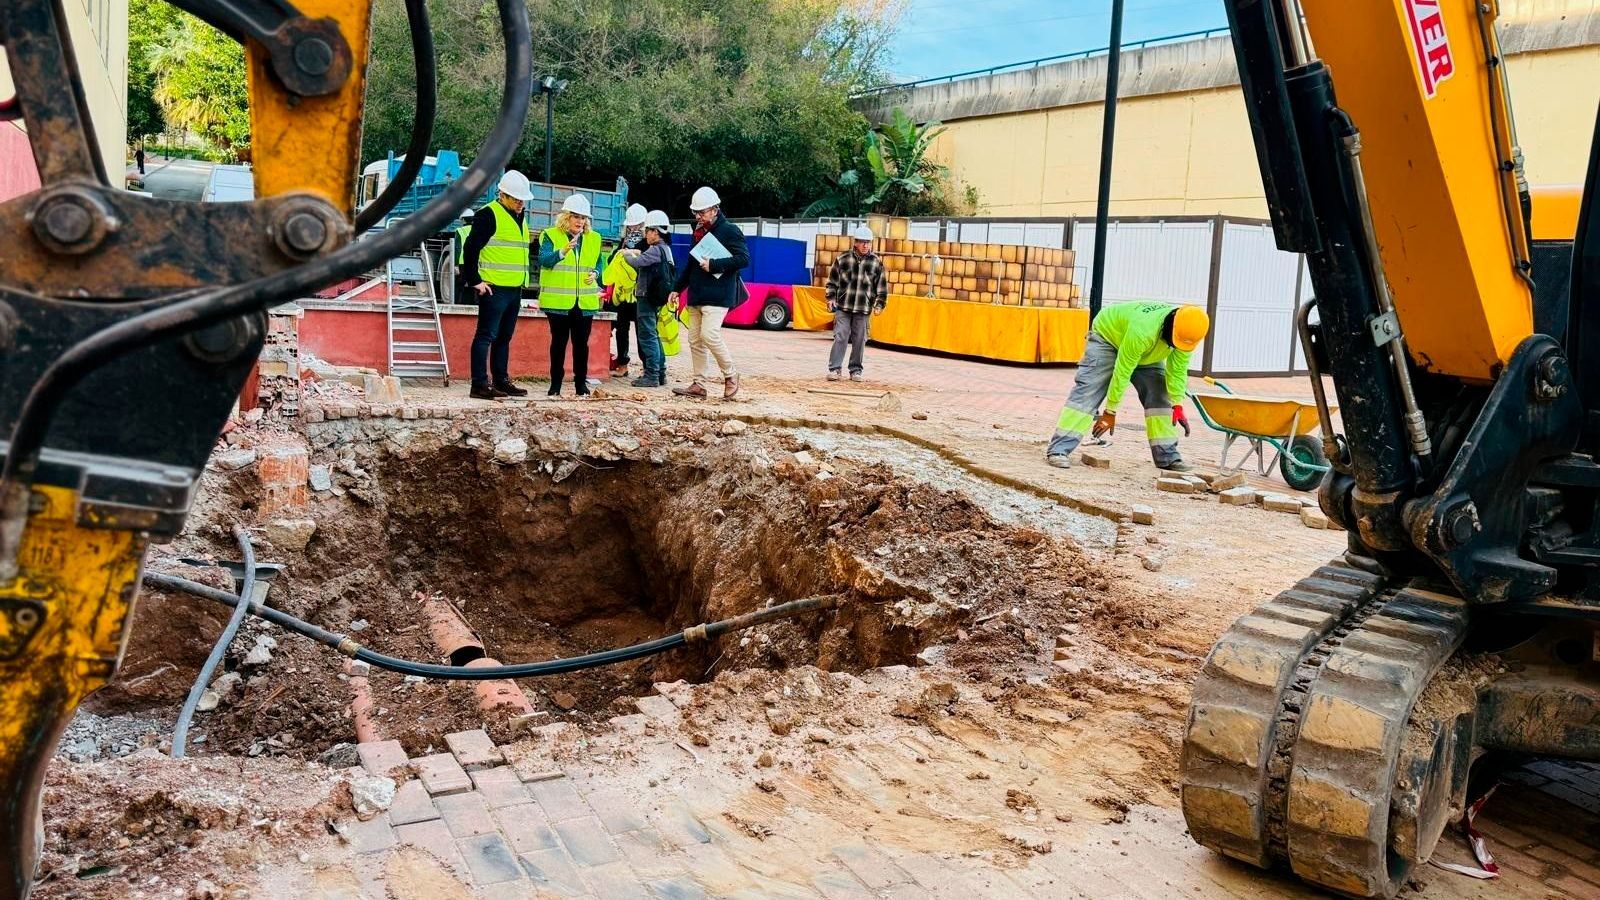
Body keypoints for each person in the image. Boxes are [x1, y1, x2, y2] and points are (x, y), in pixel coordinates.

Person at [1045, 301, 1210, 471]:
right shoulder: (1143, 330)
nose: (1175, 345)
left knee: (1160, 394)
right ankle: (1058, 450)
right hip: (1108, 337)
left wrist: (1177, 403)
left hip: (1147, 352)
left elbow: (1177, 371)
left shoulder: (1187, 333)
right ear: (1172, 323)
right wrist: (1110, 411)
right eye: (1174, 341)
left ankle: (1167, 456)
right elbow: (1122, 371)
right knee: (1088, 390)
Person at [461, 170, 535, 400]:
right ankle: (479, 384)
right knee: (486, 335)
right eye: (516, 198)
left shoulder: (520, 217)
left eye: (523, 199)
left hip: (513, 288)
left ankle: (501, 380)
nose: (520, 203)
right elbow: (470, 249)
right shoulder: (488, 214)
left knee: (504, 337)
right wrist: (475, 281)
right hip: (494, 288)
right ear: (502, 195)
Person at [670, 186, 749, 400]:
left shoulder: (730, 230)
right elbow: (691, 264)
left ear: (715, 209)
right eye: (696, 212)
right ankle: (699, 383)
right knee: (694, 340)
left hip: (718, 294)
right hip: (697, 294)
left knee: (709, 334)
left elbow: (743, 259)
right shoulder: (698, 232)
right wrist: (677, 288)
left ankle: (731, 375)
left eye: (702, 212)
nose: (698, 216)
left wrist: (715, 264)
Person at [538, 193, 603, 397]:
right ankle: (555, 385)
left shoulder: (594, 238)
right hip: (558, 302)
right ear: (566, 217)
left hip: (584, 302)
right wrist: (562, 251)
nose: (580, 221)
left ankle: (580, 385)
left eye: (583, 218)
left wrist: (596, 273)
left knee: (581, 344)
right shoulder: (550, 234)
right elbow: (544, 260)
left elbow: (599, 262)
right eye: (576, 216)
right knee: (558, 343)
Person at [825, 224, 888, 382]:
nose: (866, 245)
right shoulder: (842, 259)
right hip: (843, 307)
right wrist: (830, 298)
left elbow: (881, 286)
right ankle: (835, 369)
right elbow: (832, 282)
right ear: (855, 242)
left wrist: (880, 304)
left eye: (868, 242)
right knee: (840, 336)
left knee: (860, 340)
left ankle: (855, 370)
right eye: (862, 242)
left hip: (863, 308)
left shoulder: (876, 263)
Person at [621, 210, 676, 387]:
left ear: (655, 232)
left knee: (647, 336)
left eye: (648, 231)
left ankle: (651, 375)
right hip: (657, 298)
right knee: (655, 334)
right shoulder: (666, 250)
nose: (646, 235)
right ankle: (660, 374)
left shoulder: (655, 249)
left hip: (646, 296)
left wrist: (626, 253)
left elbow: (637, 262)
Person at [607, 203, 648, 377]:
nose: (633, 228)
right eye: (631, 225)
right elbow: (611, 260)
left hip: (640, 294)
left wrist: (635, 254)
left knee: (643, 331)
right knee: (621, 329)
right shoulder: (623, 241)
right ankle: (622, 364)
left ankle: (648, 367)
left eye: (636, 225)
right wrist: (619, 255)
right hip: (623, 294)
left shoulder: (649, 242)